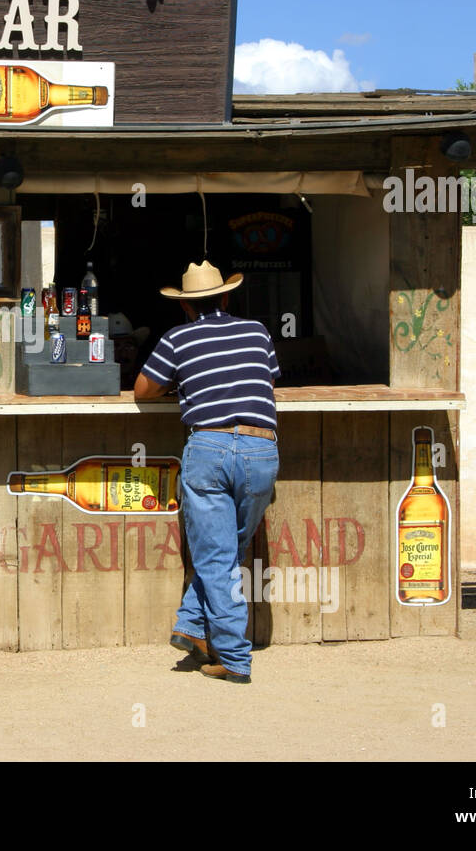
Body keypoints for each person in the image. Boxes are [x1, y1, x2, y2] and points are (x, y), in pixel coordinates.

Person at [133, 260, 280, 684]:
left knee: (216, 556)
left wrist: (181, 382)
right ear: (227, 296)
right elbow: (264, 380)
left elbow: (144, 389)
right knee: (226, 553)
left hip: (209, 447)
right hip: (261, 448)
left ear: (185, 307)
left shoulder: (177, 339)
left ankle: (234, 658)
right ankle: (191, 626)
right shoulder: (257, 332)